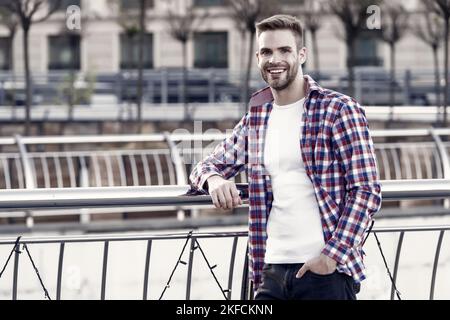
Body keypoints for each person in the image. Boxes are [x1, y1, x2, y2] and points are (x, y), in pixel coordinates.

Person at [189, 14, 382, 300]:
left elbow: (366, 190)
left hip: (324, 272)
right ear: (257, 58)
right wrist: (214, 180)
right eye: (266, 51)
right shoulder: (258, 117)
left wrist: (332, 256)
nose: (274, 59)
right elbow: (204, 166)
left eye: (284, 50)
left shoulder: (338, 110)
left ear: (301, 54)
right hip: (270, 271)